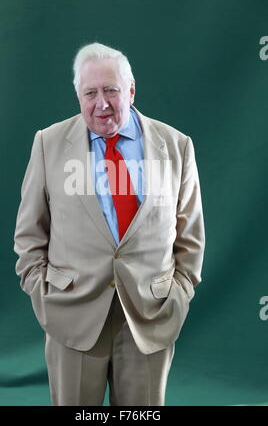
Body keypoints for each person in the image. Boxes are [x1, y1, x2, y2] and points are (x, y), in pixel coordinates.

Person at [13, 42, 205, 406]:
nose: (102, 103)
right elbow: (28, 236)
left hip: (150, 316)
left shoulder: (176, 146)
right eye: (90, 93)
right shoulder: (48, 144)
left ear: (131, 90)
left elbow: (191, 237)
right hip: (72, 317)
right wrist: (46, 297)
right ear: (78, 96)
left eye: (112, 90)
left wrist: (179, 294)